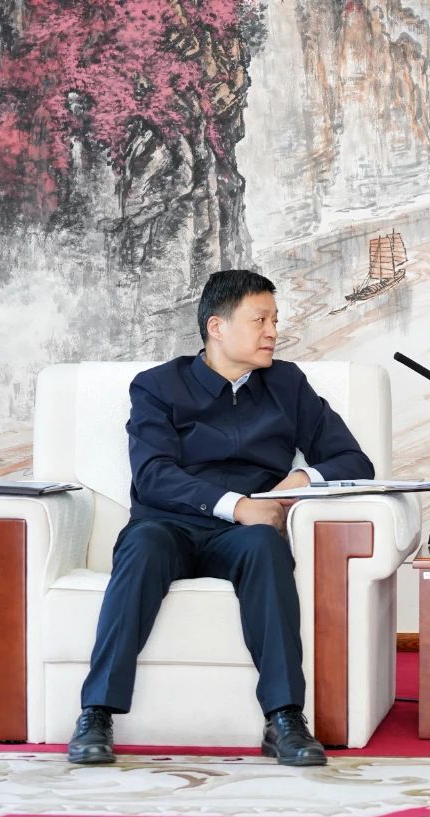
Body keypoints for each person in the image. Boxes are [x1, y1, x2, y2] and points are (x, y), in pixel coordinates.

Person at [67, 270, 374, 766]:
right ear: (217, 326)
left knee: (267, 546)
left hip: (243, 535)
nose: (273, 331)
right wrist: (237, 504)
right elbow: (153, 475)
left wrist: (302, 478)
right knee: (142, 548)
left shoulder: (287, 384)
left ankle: (285, 718)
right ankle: (96, 712)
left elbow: (355, 462)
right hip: (167, 524)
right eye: (260, 320)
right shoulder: (157, 386)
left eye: (275, 320)